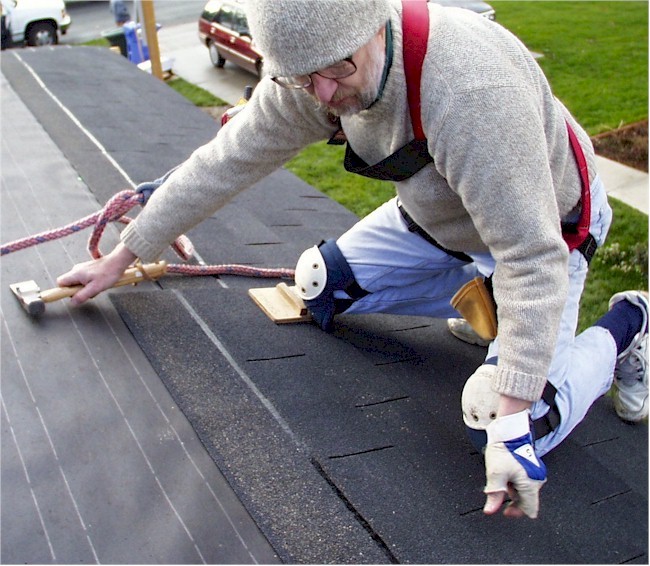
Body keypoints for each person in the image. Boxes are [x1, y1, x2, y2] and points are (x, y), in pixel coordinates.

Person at [58, 0, 648, 519]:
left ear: (377, 25)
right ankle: (487, 308)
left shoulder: (470, 91)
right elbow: (225, 161)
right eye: (298, 78)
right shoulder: (314, 73)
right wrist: (123, 257)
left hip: (549, 234)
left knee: (505, 422)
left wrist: (515, 418)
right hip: (439, 218)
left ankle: (627, 328)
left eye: (336, 69)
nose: (321, 95)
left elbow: (530, 256)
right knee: (319, 286)